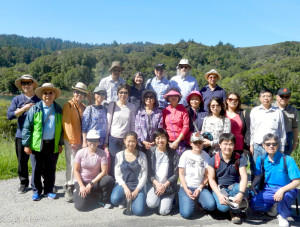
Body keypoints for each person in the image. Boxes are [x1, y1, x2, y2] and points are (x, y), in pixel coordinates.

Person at [22, 83, 63, 201]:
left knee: (50, 168)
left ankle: (49, 190)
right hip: (37, 144)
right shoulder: (35, 108)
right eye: (45, 93)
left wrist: (60, 143)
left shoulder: (58, 109)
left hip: (52, 144)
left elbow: (61, 130)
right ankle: (36, 191)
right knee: (36, 169)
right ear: (42, 95)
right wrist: (26, 144)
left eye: (51, 93)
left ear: (54, 95)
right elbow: (27, 127)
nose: (48, 95)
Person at [250, 133, 300, 227]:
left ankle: (283, 216)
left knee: (284, 196)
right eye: (268, 144)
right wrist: (253, 185)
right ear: (263, 145)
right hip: (269, 188)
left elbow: (297, 181)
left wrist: (282, 190)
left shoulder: (287, 159)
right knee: (254, 204)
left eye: (274, 144)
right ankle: (275, 206)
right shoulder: (261, 159)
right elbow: (258, 175)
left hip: (286, 188)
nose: (271, 146)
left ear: (278, 145)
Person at [7, 74, 40, 194]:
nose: (26, 85)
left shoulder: (39, 100)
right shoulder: (17, 99)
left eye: (29, 83)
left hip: (36, 136)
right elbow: (10, 115)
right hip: (20, 135)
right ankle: (23, 183)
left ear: (33, 84)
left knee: (36, 161)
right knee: (22, 161)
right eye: (24, 83)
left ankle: (36, 184)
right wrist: (23, 109)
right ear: (21, 86)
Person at [208, 133, 248, 224]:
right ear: (220, 145)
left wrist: (241, 194)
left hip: (234, 187)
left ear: (234, 145)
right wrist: (219, 195)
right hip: (220, 188)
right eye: (225, 144)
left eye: (231, 144)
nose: (228, 147)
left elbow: (244, 176)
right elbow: (211, 179)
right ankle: (233, 205)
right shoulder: (214, 159)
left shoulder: (239, 158)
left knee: (242, 189)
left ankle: (235, 213)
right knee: (223, 208)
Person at [73, 130, 115, 211]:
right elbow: (76, 170)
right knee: (80, 207)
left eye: (95, 140)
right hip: (82, 181)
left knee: (108, 179)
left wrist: (91, 183)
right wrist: (82, 186)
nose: (93, 142)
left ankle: (103, 199)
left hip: (94, 182)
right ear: (87, 140)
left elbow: (104, 172)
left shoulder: (102, 153)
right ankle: (80, 192)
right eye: (90, 140)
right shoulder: (80, 153)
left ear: (98, 141)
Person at [178, 132, 216, 219]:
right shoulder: (185, 154)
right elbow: (181, 174)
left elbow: (207, 175)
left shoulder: (206, 156)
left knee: (211, 206)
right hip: (186, 187)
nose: (197, 145)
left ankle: (196, 200)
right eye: (195, 142)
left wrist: (199, 189)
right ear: (191, 143)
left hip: (200, 188)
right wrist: (186, 189)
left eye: (200, 142)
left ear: (203, 143)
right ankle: (187, 199)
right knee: (187, 214)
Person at [62, 82, 88, 202]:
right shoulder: (69, 105)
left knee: (78, 164)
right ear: (73, 92)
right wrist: (73, 141)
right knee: (71, 163)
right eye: (77, 92)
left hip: (80, 140)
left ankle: (76, 184)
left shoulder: (83, 106)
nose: (79, 94)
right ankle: (69, 186)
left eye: (81, 93)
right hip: (71, 140)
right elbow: (67, 124)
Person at [250, 89, 286, 176]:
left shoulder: (278, 112)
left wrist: (281, 148)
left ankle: (269, 189)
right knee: (256, 169)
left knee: (271, 170)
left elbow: (282, 131)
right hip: (257, 146)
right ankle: (255, 189)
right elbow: (252, 130)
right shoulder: (254, 111)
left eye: (268, 96)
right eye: (264, 96)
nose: (266, 98)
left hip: (272, 147)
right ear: (260, 98)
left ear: (272, 98)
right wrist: (251, 145)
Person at [110, 131, 148, 216]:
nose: (131, 144)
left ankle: (133, 199)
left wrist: (137, 190)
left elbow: (144, 175)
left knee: (139, 211)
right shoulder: (119, 155)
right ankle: (126, 199)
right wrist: (125, 188)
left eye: (133, 141)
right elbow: (117, 174)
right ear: (124, 141)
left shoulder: (142, 155)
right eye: (129, 141)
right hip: (124, 185)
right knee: (114, 199)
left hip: (137, 186)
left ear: (136, 142)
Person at [146, 128, 179, 216]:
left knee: (163, 212)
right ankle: (159, 199)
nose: (160, 140)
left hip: (168, 186)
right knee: (151, 204)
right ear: (154, 139)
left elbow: (176, 173)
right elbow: (148, 172)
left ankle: (172, 198)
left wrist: (164, 186)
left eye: (163, 137)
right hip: (155, 185)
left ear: (167, 139)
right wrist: (157, 184)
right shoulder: (150, 152)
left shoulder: (173, 153)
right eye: (158, 138)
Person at [105, 84, 136, 175]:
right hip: (113, 138)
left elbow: (132, 125)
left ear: (128, 94)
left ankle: (124, 182)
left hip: (125, 139)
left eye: (125, 93)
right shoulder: (112, 105)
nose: (123, 95)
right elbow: (108, 123)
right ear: (118, 93)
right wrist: (106, 141)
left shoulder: (131, 107)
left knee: (125, 161)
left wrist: (132, 140)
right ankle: (112, 182)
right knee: (114, 161)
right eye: (121, 92)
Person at [162, 87, 189, 155]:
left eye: (175, 96)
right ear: (168, 98)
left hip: (180, 141)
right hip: (167, 141)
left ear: (178, 97)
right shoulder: (165, 110)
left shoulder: (183, 110)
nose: (173, 97)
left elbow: (186, 126)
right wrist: (167, 142)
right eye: (171, 96)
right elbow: (163, 126)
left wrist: (177, 141)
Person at [274, 88, 299, 155]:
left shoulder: (293, 110)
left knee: (284, 162)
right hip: (272, 140)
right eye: (281, 96)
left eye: (287, 97)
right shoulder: (271, 108)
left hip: (287, 141)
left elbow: (295, 128)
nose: (284, 99)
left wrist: (295, 143)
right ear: (277, 97)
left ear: (289, 98)